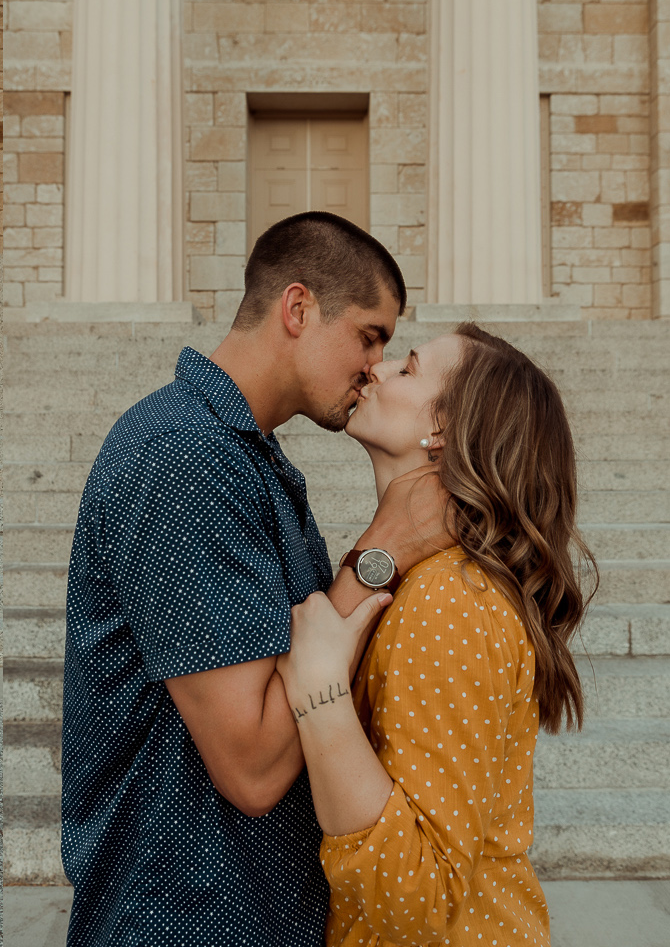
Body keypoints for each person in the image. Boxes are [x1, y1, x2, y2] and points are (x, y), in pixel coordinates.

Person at [61, 211, 453, 945]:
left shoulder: (246, 455)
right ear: (298, 308)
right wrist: (382, 550)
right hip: (182, 914)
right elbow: (252, 769)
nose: (375, 366)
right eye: (370, 336)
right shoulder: (184, 455)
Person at [277, 324, 595, 946]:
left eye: (409, 367)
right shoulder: (432, 581)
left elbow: (417, 894)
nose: (378, 367)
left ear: (445, 429)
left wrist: (320, 695)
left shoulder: (450, 599)